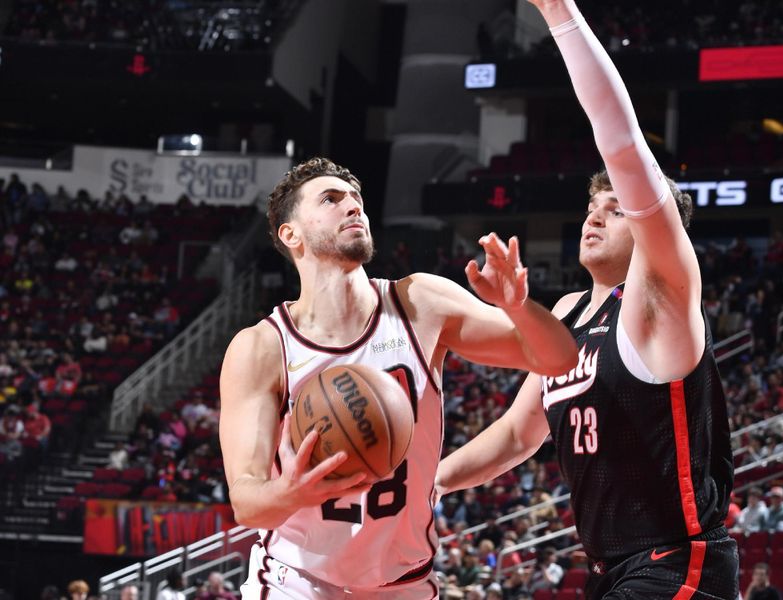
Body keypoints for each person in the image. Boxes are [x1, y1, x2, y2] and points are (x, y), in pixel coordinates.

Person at [434, 1, 738, 598]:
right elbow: (518, 436)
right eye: (591, 208)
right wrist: (428, 483)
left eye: (616, 208)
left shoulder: (663, 297)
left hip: (679, 564)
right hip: (613, 570)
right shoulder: (568, 313)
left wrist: (560, 13)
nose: (594, 217)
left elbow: (621, 143)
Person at [220, 157, 578, 599]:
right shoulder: (261, 347)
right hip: (297, 582)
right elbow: (247, 503)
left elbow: (558, 360)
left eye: (356, 199)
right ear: (290, 235)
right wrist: (291, 491)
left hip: (404, 583)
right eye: (331, 199)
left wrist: (519, 307)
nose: (353, 207)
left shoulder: (420, 303)